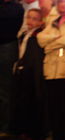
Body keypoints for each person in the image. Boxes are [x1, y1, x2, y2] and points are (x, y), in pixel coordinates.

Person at [37, 0, 65, 140]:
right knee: (53, 107)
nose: (62, 3)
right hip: (50, 69)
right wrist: (56, 38)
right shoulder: (53, 21)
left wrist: (50, 44)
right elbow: (40, 39)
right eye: (60, 1)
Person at [10, 8, 46, 140]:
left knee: (30, 101)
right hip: (22, 70)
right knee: (21, 100)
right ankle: (21, 129)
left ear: (41, 22)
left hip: (31, 73)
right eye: (29, 17)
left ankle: (31, 131)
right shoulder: (25, 34)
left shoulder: (37, 36)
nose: (30, 21)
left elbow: (35, 58)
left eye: (34, 19)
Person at [0, 0, 25, 135]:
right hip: (4, 48)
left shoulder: (16, 8)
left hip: (7, 48)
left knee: (4, 90)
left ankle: (5, 126)